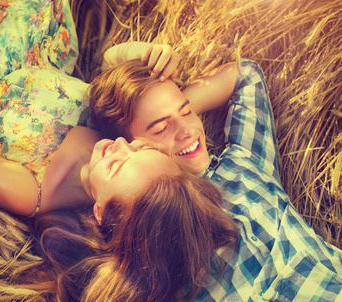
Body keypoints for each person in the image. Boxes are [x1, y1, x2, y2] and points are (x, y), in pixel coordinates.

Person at [0, 0, 240, 300]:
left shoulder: (30, 191)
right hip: (26, 39)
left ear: (101, 214)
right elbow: (231, 78)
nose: (119, 146)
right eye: (139, 148)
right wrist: (146, 57)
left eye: (120, 164)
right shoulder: (119, 139)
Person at [89, 46, 342, 300]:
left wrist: (147, 81)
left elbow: (245, 74)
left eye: (188, 111)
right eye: (162, 128)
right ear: (131, 145)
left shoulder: (242, 163)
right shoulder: (148, 242)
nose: (187, 130)